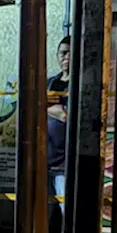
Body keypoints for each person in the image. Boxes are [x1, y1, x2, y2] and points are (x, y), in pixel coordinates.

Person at [47, 36, 71, 217]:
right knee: (44, 211)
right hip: (46, 158)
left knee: (66, 211)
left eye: (71, 53)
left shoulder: (79, 84)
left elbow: (68, 115)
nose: (67, 58)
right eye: (63, 53)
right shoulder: (51, 83)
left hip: (66, 161)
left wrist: (58, 112)